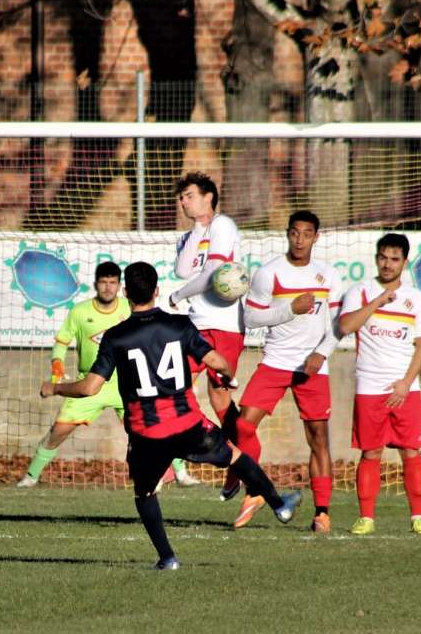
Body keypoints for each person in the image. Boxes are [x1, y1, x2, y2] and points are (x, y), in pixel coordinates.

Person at [41, 262, 302, 569]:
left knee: (144, 493)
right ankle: (279, 505)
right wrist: (228, 375)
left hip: (146, 433)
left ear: (125, 294)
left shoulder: (115, 336)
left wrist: (56, 388)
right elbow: (216, 360)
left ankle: (167, 558)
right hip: (187, 423)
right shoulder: (179, 325)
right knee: (235, 456)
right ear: (156, 291)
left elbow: (89, 387)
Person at [233, 211, 344, 532]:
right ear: (287, 234)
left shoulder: (329, 276)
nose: (300, 240)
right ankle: (255, 490)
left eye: (306, 234)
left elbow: (338, 325)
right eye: (294, 233)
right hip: (275, 362)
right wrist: (288, 310)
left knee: (319, 439)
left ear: (316, 237)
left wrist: (321, 354)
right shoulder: (270, 273)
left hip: (312, 367)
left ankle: (322, 512)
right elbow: (251, 319)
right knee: (242, 425)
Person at [17, 262, 145, 486]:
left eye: (112, 282)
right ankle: (30, 476)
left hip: (125, 382)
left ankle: (179, 473)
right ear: (95, 284)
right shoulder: (80, 311)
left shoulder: (128, 308)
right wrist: (57, 367)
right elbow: (61, 342)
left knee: (148, 428)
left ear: (119, 285)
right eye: (103, 282)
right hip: (90, 382)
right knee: (58, 430)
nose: (107, 287)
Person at [338, 233, 421, 536]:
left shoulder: (416, 298)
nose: (387, 264)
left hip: (405, 388)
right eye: (383, 257)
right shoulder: (361, 291)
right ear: (376, 258)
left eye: (394, 259)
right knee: (370, 452)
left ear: (404, 262)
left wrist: (406, 383)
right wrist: (377, 301)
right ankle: (366, 517)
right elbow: (346, 326)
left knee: (411, 452)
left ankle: (418, 517)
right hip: (369, 386)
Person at [166, 171, 245, 495]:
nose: (183, 202)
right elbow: (183, 270)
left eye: (189, 195)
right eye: (181, 197)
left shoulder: (223, 225)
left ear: (208, 196)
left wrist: (178, 296)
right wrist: (197, 229)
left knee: (218, 396)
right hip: (197, 324)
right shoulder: (191, 235)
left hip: (224, 323)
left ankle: (238, 462)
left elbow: (213, 273)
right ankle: (181, 456)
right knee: (174, 385)